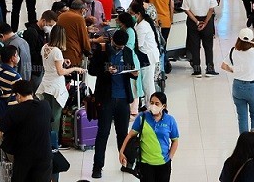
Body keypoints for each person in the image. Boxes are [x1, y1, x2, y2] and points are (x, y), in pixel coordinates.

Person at [90, 30, 139, 179]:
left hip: (123, 98)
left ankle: (126, 162)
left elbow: (131, 68)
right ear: (112, 41)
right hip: (106, 98)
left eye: (121, 47)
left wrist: (133, 73)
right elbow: (92, 70)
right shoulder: (102, 50)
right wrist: (106, 70)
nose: (118, 49)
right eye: (116, 46)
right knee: (103, 133)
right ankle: (97, 166)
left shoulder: (128, 52)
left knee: (123, 134)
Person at [37, 24, 86, 144]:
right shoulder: (57, 51)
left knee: (47, 115)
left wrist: (63, 61)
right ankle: (54, 143)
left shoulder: (44, 47)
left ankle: (45, 140)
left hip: (45, 84)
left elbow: (51, 63)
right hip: (56, 86)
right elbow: (61, 72)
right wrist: (74, 69)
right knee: (56, 116)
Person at [0, 80, 53, 182]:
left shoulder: (15, 110)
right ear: (31, 93)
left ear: (17, 95)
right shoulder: (45, 106)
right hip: (45, 154)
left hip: (24, 157)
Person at [118, 92, 179, 182]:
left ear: (164, 106)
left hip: (163, 164)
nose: (153, 105)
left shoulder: (170, 120)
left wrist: (170, 157)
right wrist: (121, 152)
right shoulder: (142, 117)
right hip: (145, 164)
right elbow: (130, 135)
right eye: (151, 102)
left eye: (157, 103)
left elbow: (175, 140)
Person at [220, 28, 254, 133]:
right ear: (252, 40)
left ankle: (244, 143)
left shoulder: (233, 51)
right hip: (252, 87)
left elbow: (223, 65)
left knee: (242, 117)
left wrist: (233, 70)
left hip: (237, 87)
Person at [182, 0, 218, 77]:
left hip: (193, 21)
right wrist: (205, 22)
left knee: (194, 45)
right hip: (207, 20)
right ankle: (210, 69)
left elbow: (186, 9)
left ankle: (197, 69)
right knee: (208, 45)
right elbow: (212, 8)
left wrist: (197, 21)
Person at [130, 1, 160, 107]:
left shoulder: (143, 26)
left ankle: (151, 106)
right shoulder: (139, 24)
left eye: (132, 13)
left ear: (138, 14)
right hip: (145, 56)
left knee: (148, 84)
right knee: (145, 83)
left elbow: (139, 44)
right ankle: (148, 105)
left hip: (147, 56)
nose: (131, 16)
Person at [22, 10, 57, 91]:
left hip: (41, 67)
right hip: (34, 70)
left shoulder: (44, 32)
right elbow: (30, 53)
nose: (50, 28)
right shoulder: (32, 32)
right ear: (43, 21)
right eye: (50, 25)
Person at [56, 0, 92, 67]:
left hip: (61, 52)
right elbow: (84, 38)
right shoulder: (79, 18)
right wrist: (88, 51)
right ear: (82, 9)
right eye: (85, 10)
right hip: (73, 53)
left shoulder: (61, 16)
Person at [0, 45, 21, 117]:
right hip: (11, 107)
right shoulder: (15, 76)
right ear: (12, 58)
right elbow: (21, 94)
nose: (18, 57)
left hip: (0, 103)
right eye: (17, 55)